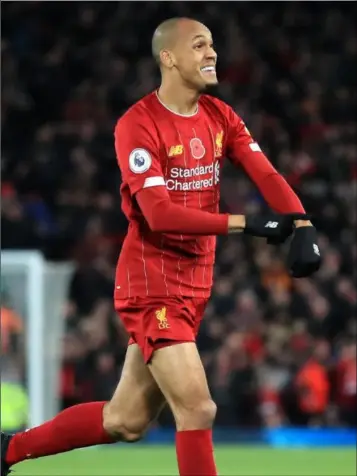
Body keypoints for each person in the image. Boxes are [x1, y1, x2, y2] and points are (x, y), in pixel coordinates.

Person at [1, 17, 321, 476]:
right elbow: (160, 214)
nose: (212, 53)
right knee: (198, 408)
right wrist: (247, 223)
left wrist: (303, 223)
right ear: (168, 58)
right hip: (153, 284)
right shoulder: (138, 124)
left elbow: (266, 174)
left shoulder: (220, 116)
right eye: (199, 45)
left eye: (212, 44)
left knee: (125, 420)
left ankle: (8, 451)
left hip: (195, 285)